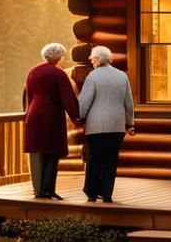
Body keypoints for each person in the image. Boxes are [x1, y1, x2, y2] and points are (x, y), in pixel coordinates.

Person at [77, 44, 135, 203]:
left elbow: (84, 102)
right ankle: (107, 194)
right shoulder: (122, 76)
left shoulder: (93, 77)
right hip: (116, 126)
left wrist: (80, 117)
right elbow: (128, 102)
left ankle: (92, 193)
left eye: (92, 59)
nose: (92, 62)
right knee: (111, 161)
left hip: (96, 127)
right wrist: (130, 123)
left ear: (97, 59)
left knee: (94, 159)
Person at [23, 42, 81, 200]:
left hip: (34, 114)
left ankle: (39, 190)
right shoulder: (58, 73)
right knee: (51, 153)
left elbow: (28, 94)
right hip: (50, 115)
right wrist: (77, 117)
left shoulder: (33, 71)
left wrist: (27, 113)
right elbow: (67, 98)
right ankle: (49, 190)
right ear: (58, 57)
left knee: (38, 152)